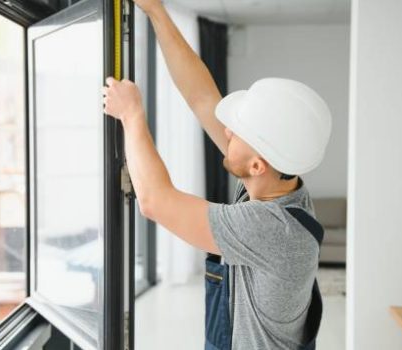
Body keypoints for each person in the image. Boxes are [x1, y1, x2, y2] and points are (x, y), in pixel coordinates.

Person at [102, 1, 332, 349]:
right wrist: (156, 12)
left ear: (257, 165)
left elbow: (155, 202)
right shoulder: (279, 184)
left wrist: (132, 115)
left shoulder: (271, 228)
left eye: (237, 131)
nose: (226, 132)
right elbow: (201, 98)